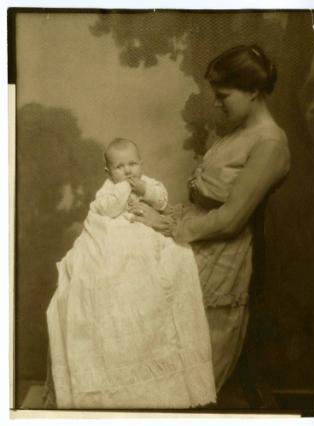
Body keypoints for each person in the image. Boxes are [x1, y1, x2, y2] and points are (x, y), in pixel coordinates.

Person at [129, 44, 291, 394]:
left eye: (223, 95)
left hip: (221, 249)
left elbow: (232, 218)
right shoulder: (236, 130)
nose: (216, 103)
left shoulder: (270, 143)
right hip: (196, 229)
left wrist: (173, 229)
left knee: (187, 348)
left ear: (254, 91)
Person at [46, 138, 216, 409]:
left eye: (133, 164)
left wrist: (145, 189)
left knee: (168, 254)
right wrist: (125, 188)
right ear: (108, 172)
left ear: (142, 164)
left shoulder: (147, 181)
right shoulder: (108, 189)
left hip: (142, 225)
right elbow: (108, 209)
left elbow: (162, 202)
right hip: (114, 230)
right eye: (120, 167)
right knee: (113, 259)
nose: (128, 171)